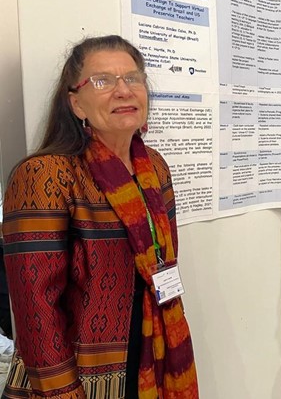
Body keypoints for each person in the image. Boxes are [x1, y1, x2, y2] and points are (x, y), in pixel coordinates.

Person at [1, 35, 199, 398]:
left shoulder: (155, 167)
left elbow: (162, 268)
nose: (123, 91)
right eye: (103, 81)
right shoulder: (46, 175)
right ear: (76, 103)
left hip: (150, 359)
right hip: (77, 378)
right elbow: (35, 311)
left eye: (133, 78)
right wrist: (64, 392)